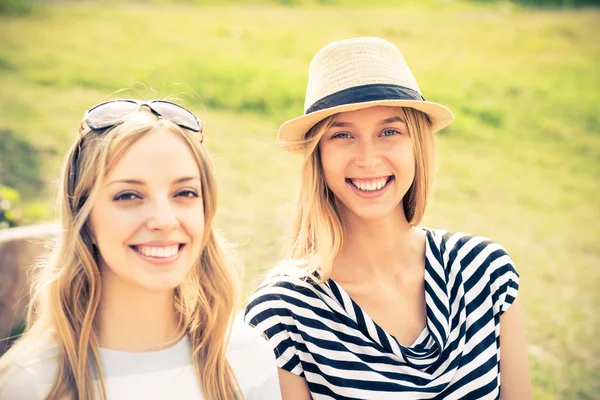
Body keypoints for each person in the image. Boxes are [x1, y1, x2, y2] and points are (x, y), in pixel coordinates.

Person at [245, 37, 531, 399]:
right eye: (343, 134)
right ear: (317, 156)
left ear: (418, 146)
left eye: (389, 132)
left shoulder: (485, 272)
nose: (368, 159)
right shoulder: (283, 313)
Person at [0, 99, 281, 400]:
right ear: (85, 218)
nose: (164, 220)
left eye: (184, 193)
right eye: (129, 195)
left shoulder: (247, 357)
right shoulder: (31, 384)